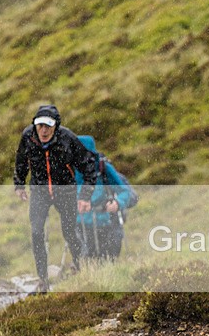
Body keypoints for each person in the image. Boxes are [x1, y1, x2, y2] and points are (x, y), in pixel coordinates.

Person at [14, 105, 97, 293]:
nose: (43, 130)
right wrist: (19, 184)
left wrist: (85, 196)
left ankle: (80, 266)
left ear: (56, 127)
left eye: (48, 126)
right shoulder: (28, 137)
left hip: (65, 191)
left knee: (69, 232)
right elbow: (21, 160)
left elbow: (88, 166)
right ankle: (43, 280)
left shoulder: (68, 139)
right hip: (40, 191)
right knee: (36, 233)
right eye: (40, 125)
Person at [75, 135, 136, 261]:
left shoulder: (104, 169)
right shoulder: (70, 172)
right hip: (82, 225)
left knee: (108, 258)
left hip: (107, 223)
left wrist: (117, 203)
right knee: (88, 259)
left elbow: (125, 191)